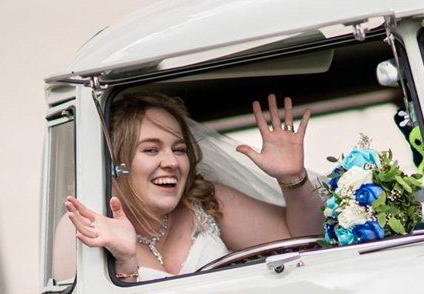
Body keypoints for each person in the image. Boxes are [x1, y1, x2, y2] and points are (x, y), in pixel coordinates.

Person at [64, 92, 325, 282]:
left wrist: (293, 179)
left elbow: (305, 242)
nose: (172, 162)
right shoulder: (83, 225)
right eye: (151, 149)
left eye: (179, 149)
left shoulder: (205, 200)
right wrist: (126, 263)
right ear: (115, 161)